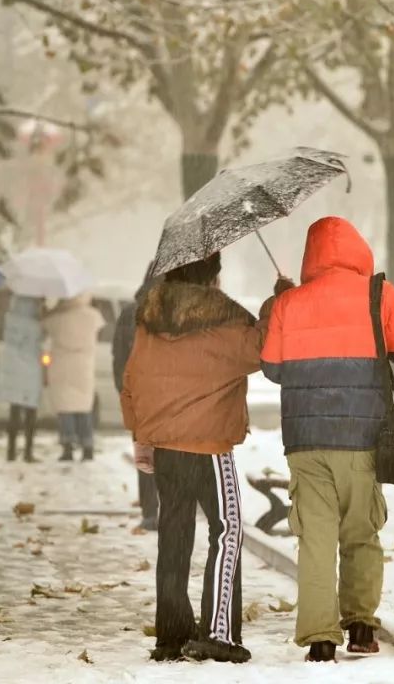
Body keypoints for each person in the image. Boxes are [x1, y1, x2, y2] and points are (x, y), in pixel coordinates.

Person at [261, 216, 394, 663]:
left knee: (315, 538)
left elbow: (274, 370)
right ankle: (361, 627)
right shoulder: (379, 294)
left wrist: (285, 305)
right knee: (361, 533)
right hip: (362, 438)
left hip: (305, 441)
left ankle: (319, 639)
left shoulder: (288, 303)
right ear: (357, 250)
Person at [121, 253, 290, 664]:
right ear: (211, 279)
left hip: (167, 449)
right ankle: (219, 633)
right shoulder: (221, 319)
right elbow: (262, 349)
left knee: (174, 536)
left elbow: (133, 380)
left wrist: (141, 436)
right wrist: (278, 300)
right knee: (228, 530)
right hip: (210, 447)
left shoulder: (151, 321)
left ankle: (172, 636)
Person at [113, 272, 161, 530]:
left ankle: (150, 511)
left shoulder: (129, 312)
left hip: (138, 397)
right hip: (165, 397)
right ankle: (164, 508)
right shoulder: (168, 312)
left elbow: (117, 357)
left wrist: (124, 393)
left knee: (145, 455)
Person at [43, 293, 104, 462]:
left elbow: (44, 325)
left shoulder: (58, 317)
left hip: (62, 367)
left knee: (66, 408)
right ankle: (88, 447)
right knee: (84, 408)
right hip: (83, 367)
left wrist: (54, 309)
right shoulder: (93, 316)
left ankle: (68, 447)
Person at [0, 294, 44, 462]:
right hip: (30, 372)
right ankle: (27, 452)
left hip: (14, 371)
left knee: (14, 412)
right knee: (30, 413)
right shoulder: (36, 324)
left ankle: (11, 451)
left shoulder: (9, 319)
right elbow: (39, 345)